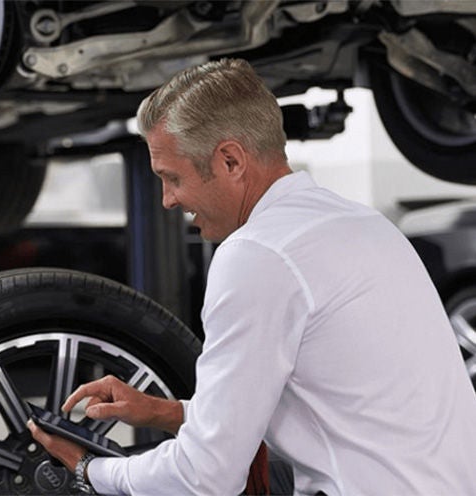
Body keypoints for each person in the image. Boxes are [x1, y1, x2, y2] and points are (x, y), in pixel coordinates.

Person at [28, 58, 476, 495]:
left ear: (230, 161)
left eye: (172, 177)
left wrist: (91, 472)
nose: (167, 200)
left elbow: (205, 478)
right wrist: (164, 412)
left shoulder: (258, 255)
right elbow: (339, 412)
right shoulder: (363, 224)